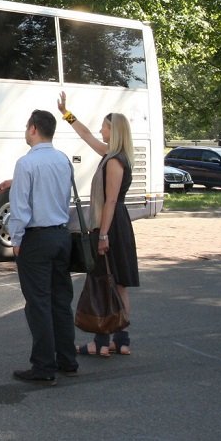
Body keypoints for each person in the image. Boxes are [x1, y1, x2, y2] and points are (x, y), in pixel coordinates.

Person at [60, 94, 138, 355]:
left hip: (111, 225)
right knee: (116, 283)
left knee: (105, 281)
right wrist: (66, 113)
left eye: (104, 126)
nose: (100, 130)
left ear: (113, 130)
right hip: (115, 224)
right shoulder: (111, 154)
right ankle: (120, 340)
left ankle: (102, 343)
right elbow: (85, 135)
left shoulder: (114, 160)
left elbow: (111, 200)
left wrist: (102, 235)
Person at [6, 109, 78, 384]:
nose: (26, 131)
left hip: (37, 238)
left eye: (27, 127)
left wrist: (16, 239)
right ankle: (67, 359)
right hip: (61, 235)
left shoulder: (26, 163)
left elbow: (21, 206)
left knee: (38, 303)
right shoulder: (63, 160)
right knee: (61, 299)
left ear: (34, 128)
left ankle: (43, 366)